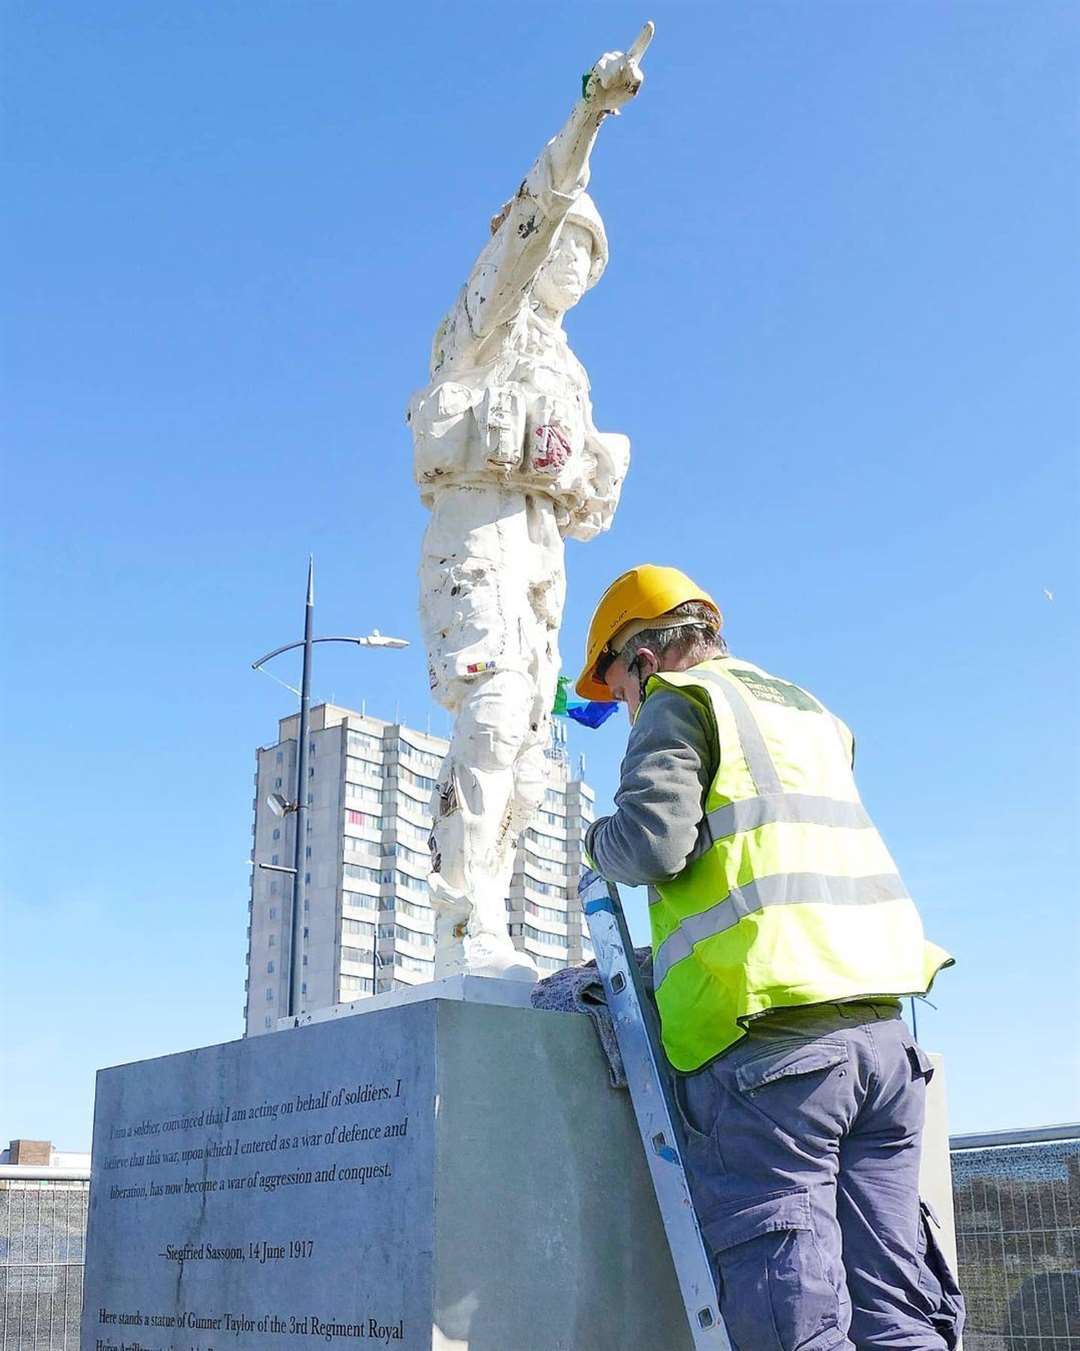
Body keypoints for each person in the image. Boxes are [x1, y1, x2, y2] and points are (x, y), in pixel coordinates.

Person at [576, 563, 964, 1351]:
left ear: (643, 659)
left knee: (796, 1320)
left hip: (773, 1050)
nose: (620, 704)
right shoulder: (805, 710)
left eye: (616, 684)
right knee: (895, 1310)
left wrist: (592, 843)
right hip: (883, 1040)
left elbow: (652, 843)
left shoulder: (679, 701)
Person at [407, 28, 652, 979]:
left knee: (536, 751)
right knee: (497, 713)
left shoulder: (569, 368)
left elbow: (586, 501)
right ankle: (461, 927)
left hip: (542, 553)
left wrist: (593, 468)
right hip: (476, 532)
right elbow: (531, 223)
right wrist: (591, 116)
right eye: (566, 245)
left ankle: (493, 918)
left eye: (588, 254)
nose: (573, 264)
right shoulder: (486, 317)